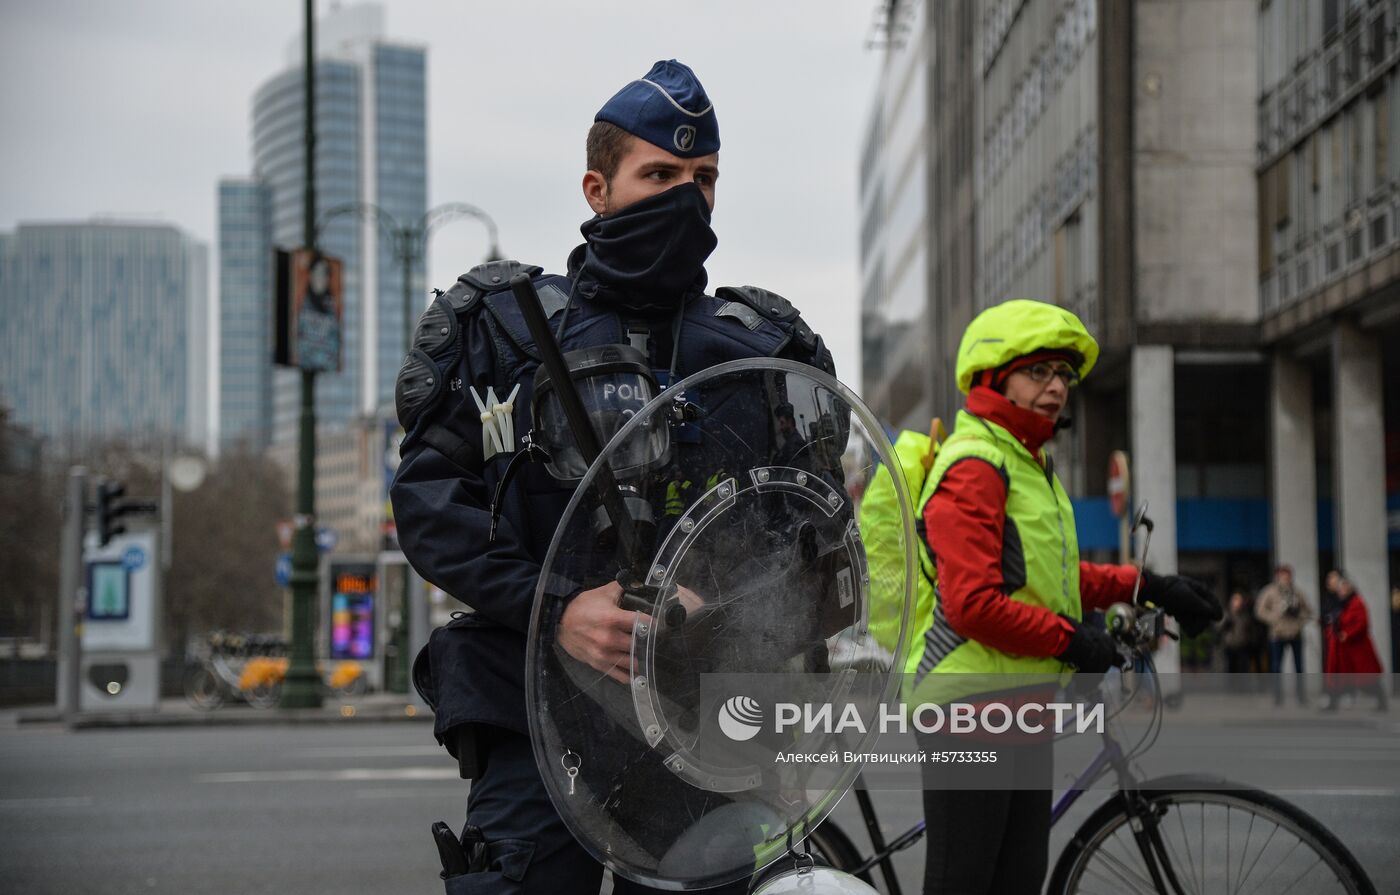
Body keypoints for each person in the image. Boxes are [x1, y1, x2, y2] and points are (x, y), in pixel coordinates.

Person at [390, 60, 835, 895]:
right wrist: (553, 608)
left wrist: (725, 610)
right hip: (535, 715)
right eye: (659, 175)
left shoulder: (759, 354)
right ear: (598, 188)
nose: (684, 197)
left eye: (702, 179)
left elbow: (810, 543)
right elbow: (428, 506)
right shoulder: (505, 334)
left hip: (704, 724)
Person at [909, 298, 1222, 895]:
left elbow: (1052, 575)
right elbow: (972, 604)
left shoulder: (1029, 464)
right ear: (994, 378)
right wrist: (1074, 639)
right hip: (967, 706)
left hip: (1021, 699)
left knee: (1019, 879)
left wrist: (1149, 585)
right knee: (965, 881)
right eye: (1039, 372)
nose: (1057, 387)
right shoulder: (975, 464)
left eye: (1064, 375)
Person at [1322, 570, 1387, 712]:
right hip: (1342, 649)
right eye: (1341, 589)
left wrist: (1347, 633)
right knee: (1338, 677)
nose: (1342, 591)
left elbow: (1362, 623)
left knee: (1366, 680)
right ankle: (1333, 704)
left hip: (1357, 648)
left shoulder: (1356, 602)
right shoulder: (1341, 604)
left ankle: (1382, 701)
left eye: (1345, 588)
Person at [1254, 563, 1313, 706]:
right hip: (1277, 634)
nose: (1285, 578)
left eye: (1287, 575)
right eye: (1282, 575)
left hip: (1295, 633)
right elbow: (1259, 611)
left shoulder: (1297, 593)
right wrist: (1275, 617)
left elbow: (1308, 611)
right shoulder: (1270, 591)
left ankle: (1301, 696)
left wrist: (1299, 619)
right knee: (1276, 666)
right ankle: (1277, 696)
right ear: (1277, 576)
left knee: (1299, 666)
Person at [1221, 591, 1257, 689]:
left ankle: (1243, 687)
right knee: (1231, 668)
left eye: (1239, 600)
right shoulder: (1226, 613)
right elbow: (1219, 627)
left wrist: (1251, 641)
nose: (1237, 602)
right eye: (1235, 600)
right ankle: (1231, 687)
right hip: (1230, 644)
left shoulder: (1245, 614)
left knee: (1243, 668)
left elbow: (1250, 629)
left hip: (1243, 644)